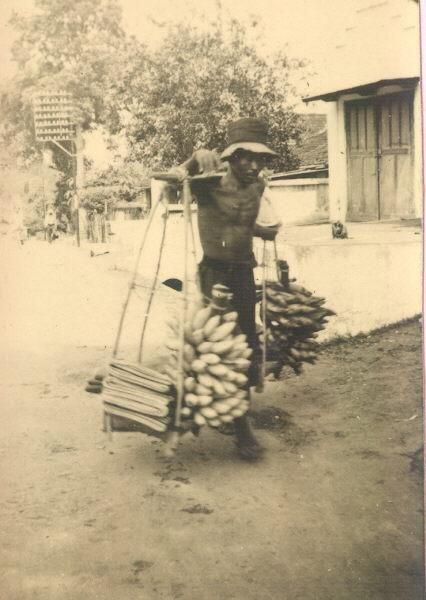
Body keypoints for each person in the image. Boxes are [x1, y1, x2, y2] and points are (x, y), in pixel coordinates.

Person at [177, 117, 281, 460]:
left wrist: (262, 232)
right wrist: (193, 159)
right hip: (214, 273)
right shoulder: (209, 183)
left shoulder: (259, 187)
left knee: (248, 342)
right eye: (246, 158)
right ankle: (242, 430)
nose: (253, 165)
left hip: (243, 271)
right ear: (232, 157)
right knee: (222, 345)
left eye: (259, 159)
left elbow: (241, 222)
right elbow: (168, 186)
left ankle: (235, 413)